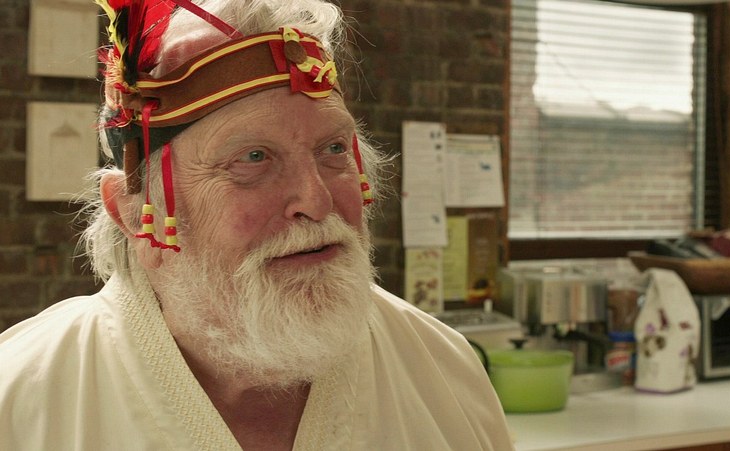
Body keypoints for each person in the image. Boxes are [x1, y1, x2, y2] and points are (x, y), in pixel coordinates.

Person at [0, 0, 514, 449]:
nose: (316, 201)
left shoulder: (442, 368)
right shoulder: (22, 398)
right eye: (252, 158)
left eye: (334, 149)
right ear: (134, 212)